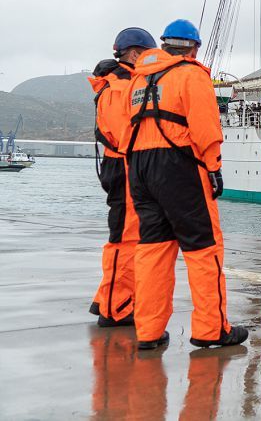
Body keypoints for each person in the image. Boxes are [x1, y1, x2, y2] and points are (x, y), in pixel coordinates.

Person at [123, 19, 246, 351]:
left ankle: (147, 331)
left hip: (139, 168)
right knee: (204, 249)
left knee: (152, 250)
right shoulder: (191, 75)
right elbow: (205, 126)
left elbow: (127, 130)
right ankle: (211, 329)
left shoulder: (137, 80)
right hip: (178, 165)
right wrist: (213, 167)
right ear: (193, 47)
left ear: (164, 45)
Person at [87, 28, 157, 328]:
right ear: (133, 54)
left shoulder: (121, 83)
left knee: (127, 236)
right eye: (147, 54)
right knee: (126, 238)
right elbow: (121, 133)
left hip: (124, 165)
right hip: (125, 165)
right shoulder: (119, 86)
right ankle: (117, 308)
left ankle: (108, 297)